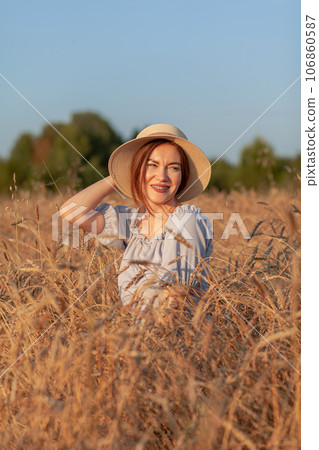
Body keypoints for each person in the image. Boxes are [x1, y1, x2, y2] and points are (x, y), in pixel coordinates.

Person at [60, 124, 213, 313]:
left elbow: (173, 301)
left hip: (176, 338)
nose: (162, 176)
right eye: (152, 165)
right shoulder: (132, 222)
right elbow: (71, 212)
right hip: (138, 338)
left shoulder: (188, 221)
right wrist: (119, 177)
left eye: (173, 168)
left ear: (183, 176)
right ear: (138, 170)